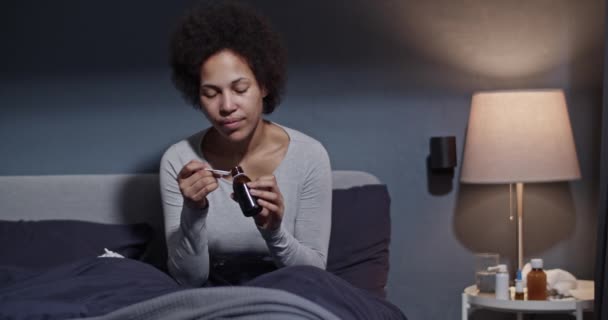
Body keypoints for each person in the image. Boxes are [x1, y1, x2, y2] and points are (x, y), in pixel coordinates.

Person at [159, 0, 332, 287]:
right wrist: (193, 211)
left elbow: (314, 275)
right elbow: (188, 279)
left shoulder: (309, 156)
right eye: (211, 93)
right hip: (211, 301)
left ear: (264, 85)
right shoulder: (179, 161)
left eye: (240, 89)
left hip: (288, 298)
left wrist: (274, 230)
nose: (226, 106)